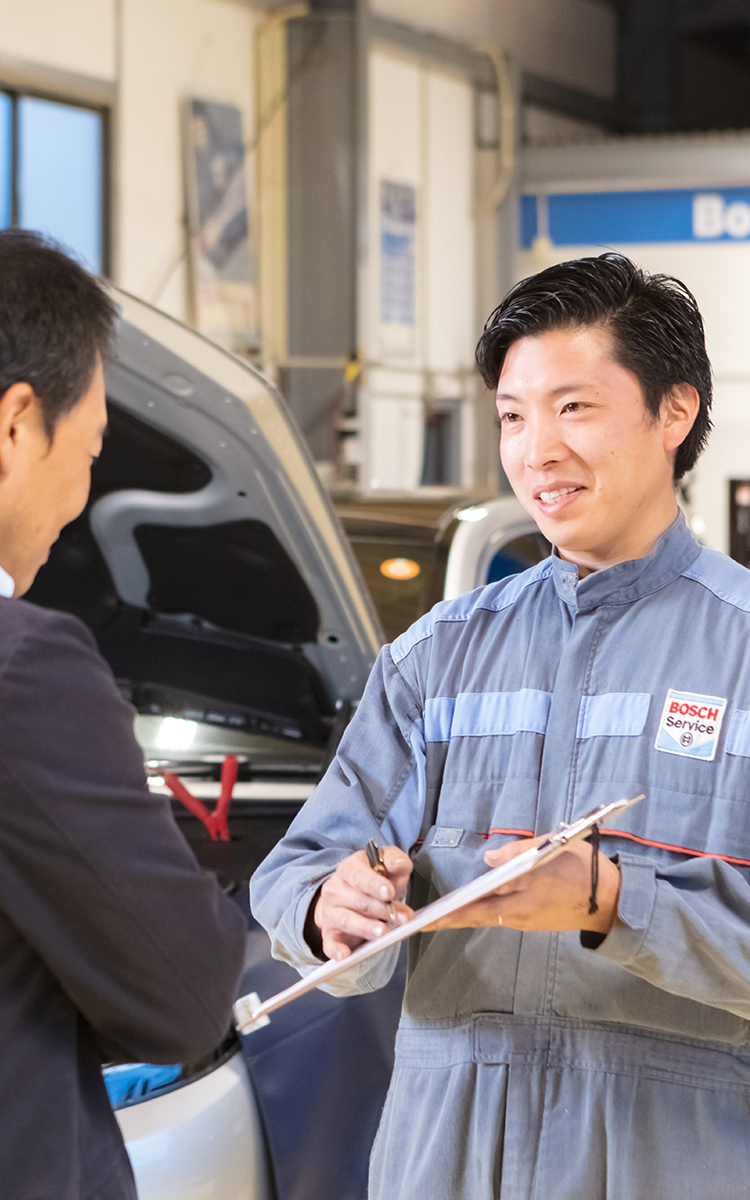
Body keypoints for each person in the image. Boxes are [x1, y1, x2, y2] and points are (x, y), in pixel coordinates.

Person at [252, 251, 750, 1200]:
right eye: (514, 417)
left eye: (574, 408)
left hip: (675, 1155)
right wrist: (329, 909)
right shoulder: (438, 656)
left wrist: (611, 901)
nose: (536, 452)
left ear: (674, 413)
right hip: (446, 1155)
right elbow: (294, 873)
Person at [0, 228, 247, 1200]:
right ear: (17, 425)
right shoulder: (24, 670)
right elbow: (181, 996)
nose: (80, 494)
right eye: (92, 447)